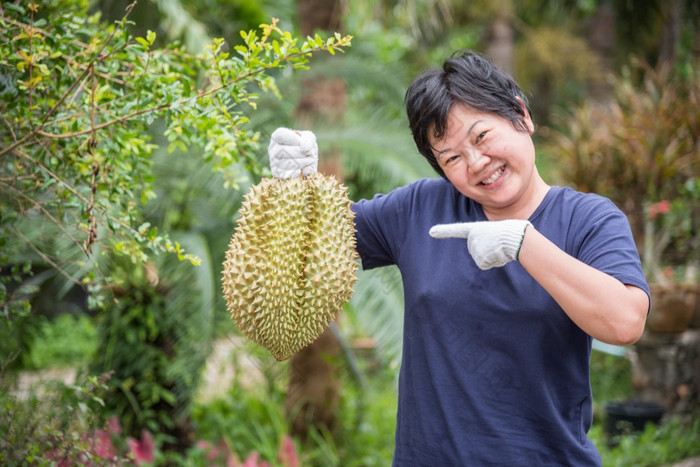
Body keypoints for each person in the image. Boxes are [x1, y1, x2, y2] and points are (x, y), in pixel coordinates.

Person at [268, 50, 650, 466]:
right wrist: (294, 189)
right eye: (451, 158)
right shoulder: (418, 210)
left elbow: (625, 322)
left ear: (521, 115)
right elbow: (304, 245)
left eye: (481, 137)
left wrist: (526, 243)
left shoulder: (588, 219)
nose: (476, 163)